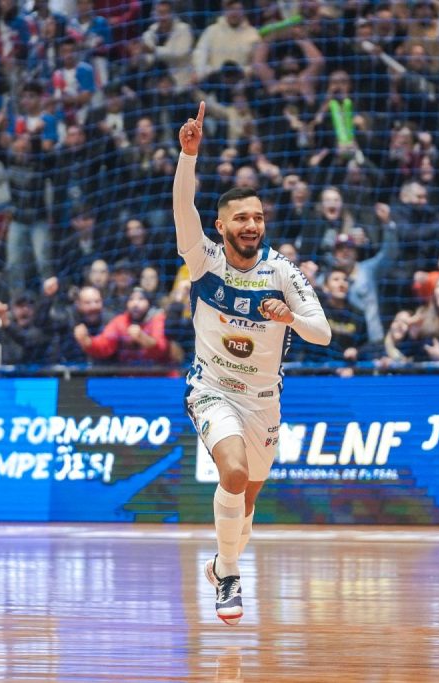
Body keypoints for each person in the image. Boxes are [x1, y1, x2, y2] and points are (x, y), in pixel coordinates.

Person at [173, 102, 331, 625]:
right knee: (234, 475)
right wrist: (188, 156)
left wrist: (291, 317)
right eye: (241, 218)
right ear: (221, 226)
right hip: (212, 388)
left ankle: (221, 564)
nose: (252, 225)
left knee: (246, 503)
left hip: (264, 400)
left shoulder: (282, 272)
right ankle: (231, 579)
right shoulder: (203, 259)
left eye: (258, 217)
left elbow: (324, 332)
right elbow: (183, 208)